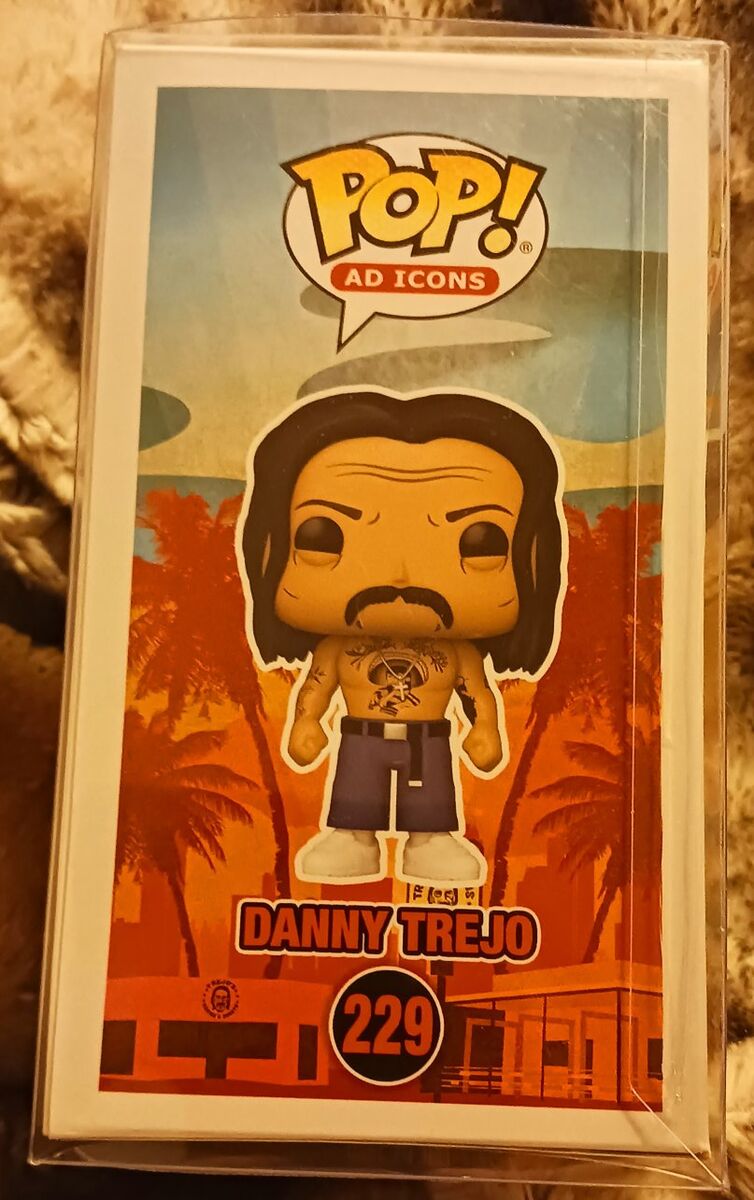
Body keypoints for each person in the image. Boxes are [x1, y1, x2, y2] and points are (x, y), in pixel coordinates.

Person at [239, 389, 565, 886]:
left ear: (533, 559)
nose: (401, 575)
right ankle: (352, 836)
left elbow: (478, 696)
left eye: (479, 541)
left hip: (428, 740)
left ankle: (431, 840)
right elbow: (316, 688)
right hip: (360, 736)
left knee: (430, 796)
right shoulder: (338, 648)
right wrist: (307, 722)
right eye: (324, 535)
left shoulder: (457, 652)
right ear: (269, 548)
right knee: (356, 790)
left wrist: (484, 729)